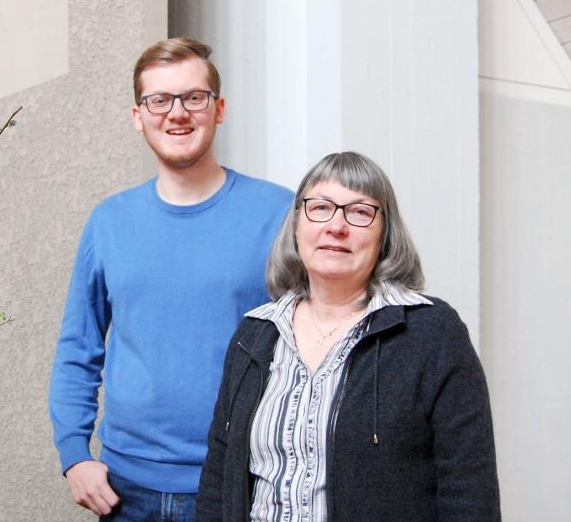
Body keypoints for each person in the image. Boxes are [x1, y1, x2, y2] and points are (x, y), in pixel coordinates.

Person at [48, 37, 294, 521]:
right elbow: (78, 349)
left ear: (218, 109)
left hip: (242, 484)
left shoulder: (279, 213)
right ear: (138, 116)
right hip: (126, 490)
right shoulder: (110, 222)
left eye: (193, 97)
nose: (177, 113)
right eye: (159, 100)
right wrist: (74, 454)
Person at [195, 151, 500, 521]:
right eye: (320, 207)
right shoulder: (255, 333)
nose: (336, 226)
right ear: (296, 226)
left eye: (359, 212)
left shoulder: (431, 332)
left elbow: (469, 489)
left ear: (385, 234)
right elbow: (218, 478)